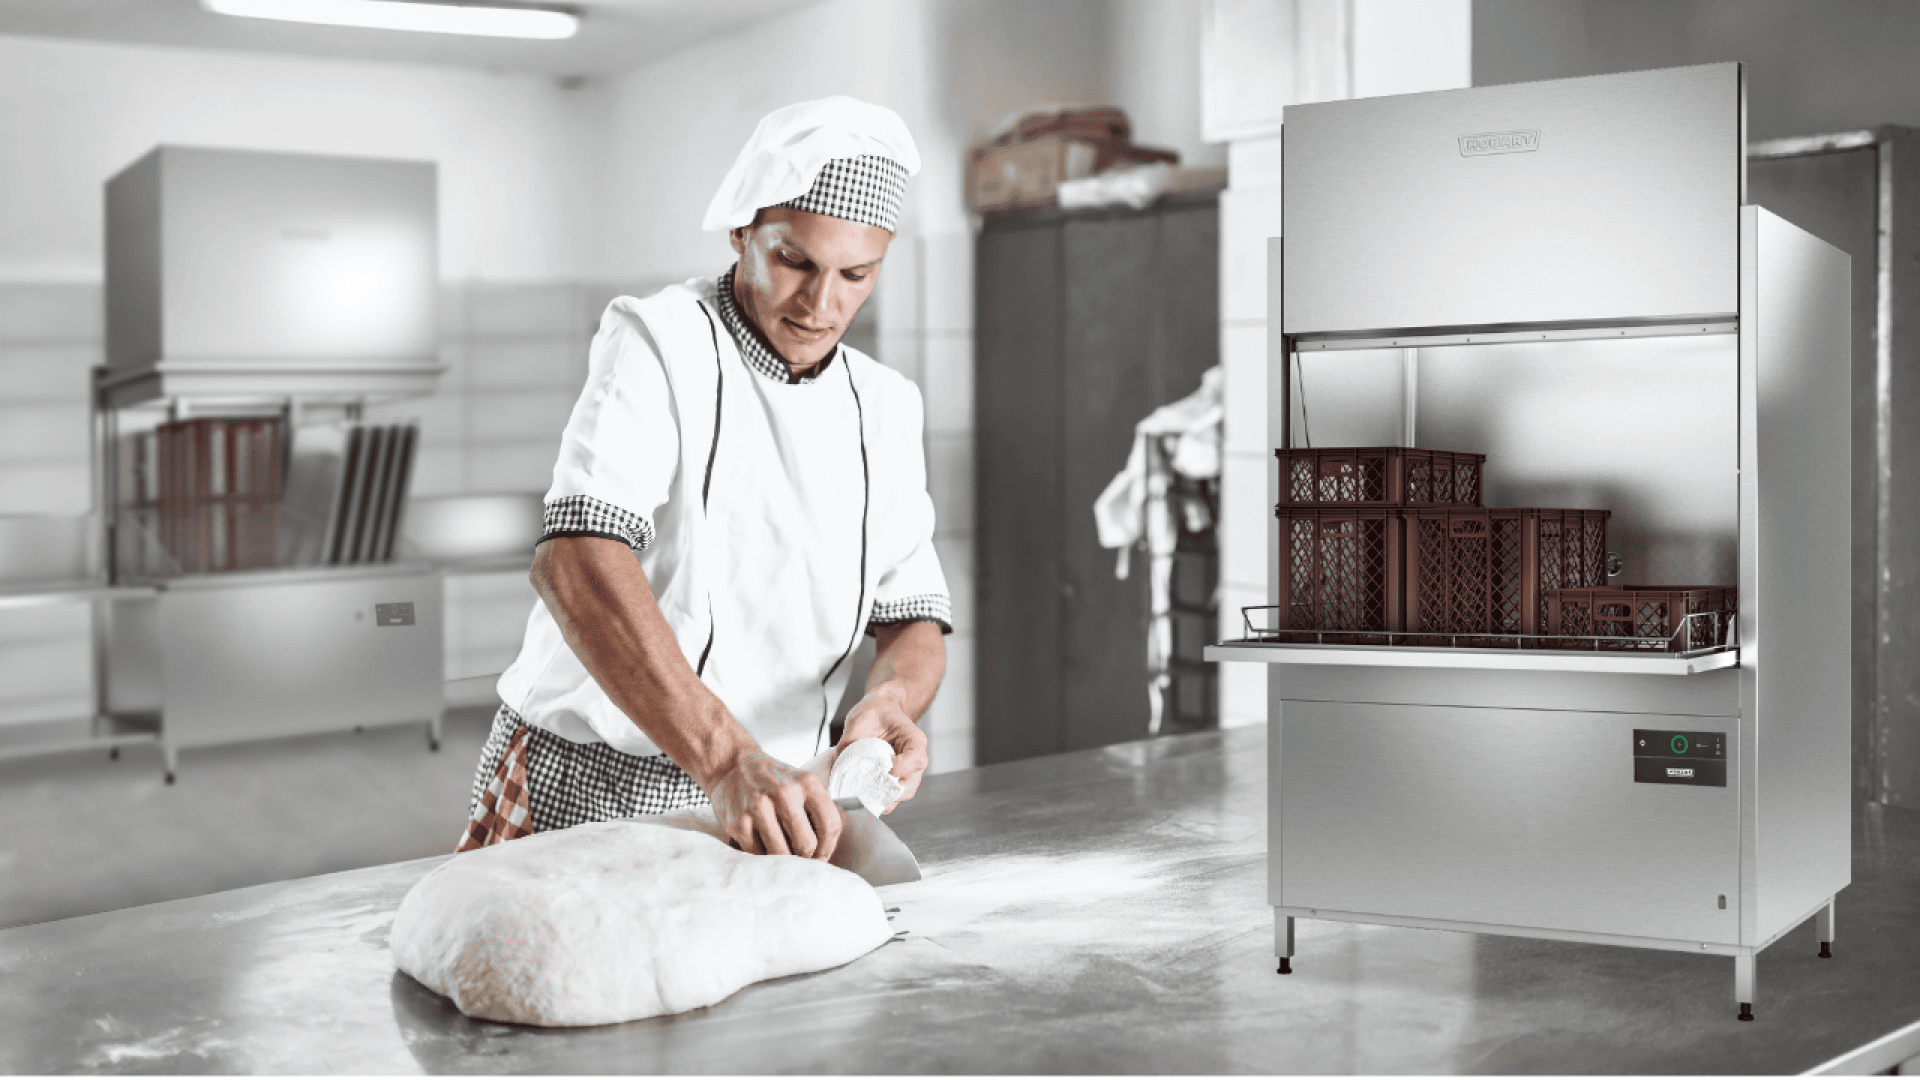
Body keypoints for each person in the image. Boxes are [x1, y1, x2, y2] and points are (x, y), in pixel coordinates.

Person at [457, 97, 949, 863]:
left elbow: (913, 615)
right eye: (795, 261)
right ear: (743, 232)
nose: (822, 305)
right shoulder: (661, 339)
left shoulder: (885, 404)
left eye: (856, 274)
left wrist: (887, 701)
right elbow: (576, 559)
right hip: (596, 776)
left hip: (781, 798)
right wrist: (724, 761)